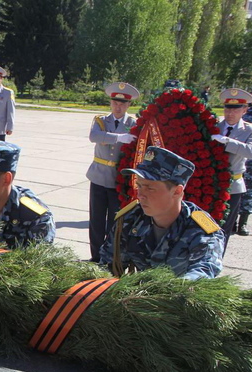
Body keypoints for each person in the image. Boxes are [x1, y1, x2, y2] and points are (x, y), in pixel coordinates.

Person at [99, 146, 224, 280]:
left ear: (176, 191)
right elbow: (107, 266)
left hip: (180, 297)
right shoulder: (131, 218)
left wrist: (173, 290)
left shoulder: (201, 229)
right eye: (139, 186)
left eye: (150, 188)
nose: (140, 195)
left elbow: (205, 270)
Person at [86, 82, 139, 262]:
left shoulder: (133, 123)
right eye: (115, 103)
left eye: (123, 104)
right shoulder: (101, 121)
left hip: (118, 181)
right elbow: (94, 136)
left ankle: (109, 257)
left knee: (114, 222)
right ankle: (95, 257)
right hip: (99, 176)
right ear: (110, 103)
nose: (118, 106)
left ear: (128, 105)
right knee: (96, 220)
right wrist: (118, 137)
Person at [212, 88, 252, 251]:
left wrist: (227, 142)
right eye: (228, 108)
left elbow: (251, 152)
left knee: (225, 228)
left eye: (236, 109)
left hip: (233, 186)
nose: (231, 113)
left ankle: (217, 262)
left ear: (245, 110)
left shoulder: (249, 130)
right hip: (210, 184)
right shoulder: (214, 126)